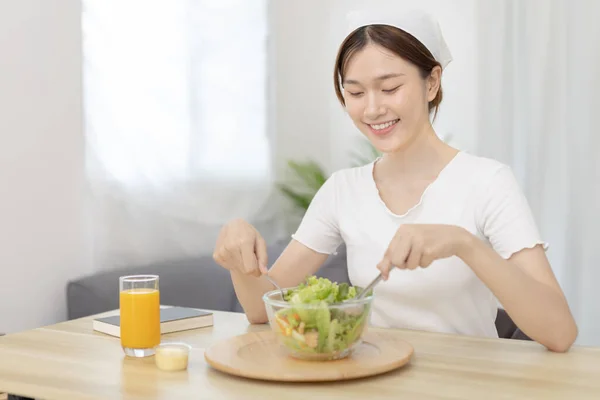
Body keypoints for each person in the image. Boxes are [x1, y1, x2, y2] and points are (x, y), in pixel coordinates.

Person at [212, 9, 577, 352]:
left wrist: (463, 243)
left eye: (389, 89)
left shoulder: (488, 182)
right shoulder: (343, 190)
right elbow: (265, 307)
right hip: (374, 379)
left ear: (432, 82)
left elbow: (560, 333)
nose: (372, 109)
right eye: (355, 93)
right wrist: (238, 255)